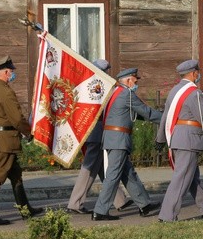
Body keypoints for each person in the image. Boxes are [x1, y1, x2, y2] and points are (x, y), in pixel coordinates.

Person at [155, 60, 203, 222]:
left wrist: (160, 138)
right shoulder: (194, 93)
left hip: (177, 137)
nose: (199, 75)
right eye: (198, 72)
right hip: (189, 139)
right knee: (182, 178)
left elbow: (165, 116)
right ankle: (167, 216)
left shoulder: (174, 90)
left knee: (192, 177)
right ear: (193, 73)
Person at [91, 67, 162, 221]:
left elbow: (132, 113)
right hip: (119, 139)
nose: (136, 82)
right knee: (113, 175)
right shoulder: (127, 94)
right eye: (135, 79)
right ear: (129, 80)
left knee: (128, 174)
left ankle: (144, 205)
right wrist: (169, 118)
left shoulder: (114, 93)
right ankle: (100, 211)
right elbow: (147, 112)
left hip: (111, 138)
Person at [0, 56, 44, 226]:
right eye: (12, 71)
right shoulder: (6, 92)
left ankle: (25, 209)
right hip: (6, 141)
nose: (13, 74)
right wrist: (29, 133)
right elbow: (16, 118)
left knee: (15, 174)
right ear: (6, 72)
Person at [66, 59, 133, 214]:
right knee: (88, 169)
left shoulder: (87, 86)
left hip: (93, 132)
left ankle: (119, 200)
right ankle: (75, 203)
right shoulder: (102, 86)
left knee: (104, 168)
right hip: (99, 133)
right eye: (107, 70)